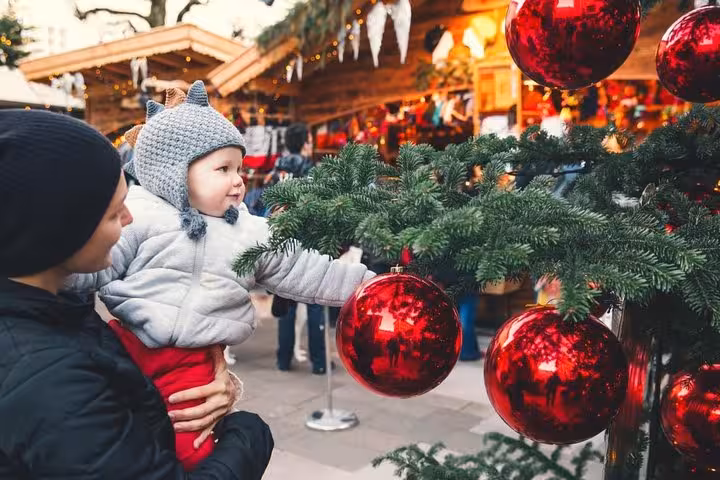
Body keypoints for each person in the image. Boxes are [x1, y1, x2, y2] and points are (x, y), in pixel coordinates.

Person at [64, 81, 374, 467]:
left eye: (239, 168)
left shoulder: (247, 231)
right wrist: (55, 274)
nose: (238, 180)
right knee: (112, 435)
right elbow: (97, 262)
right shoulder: (141, 214)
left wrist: (368, 287)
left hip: (194, 363)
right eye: (222, 168)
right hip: (129, 346)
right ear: (175, 173)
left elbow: (303, 267)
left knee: (188, 443)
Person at [0, 109, 273, 478]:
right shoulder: (48, 379)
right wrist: (248, 433)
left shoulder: (55, 308)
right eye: (114, 213)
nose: (129, 219)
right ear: (62, 228)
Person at [266, 123, 341, 374]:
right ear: (306, 141)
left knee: (285, 303)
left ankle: (283, 359)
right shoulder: (311, 170)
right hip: (310, 245)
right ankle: (319, 362)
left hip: (284, 245)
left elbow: (269, 206)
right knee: (315, 304)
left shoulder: (278, 169)